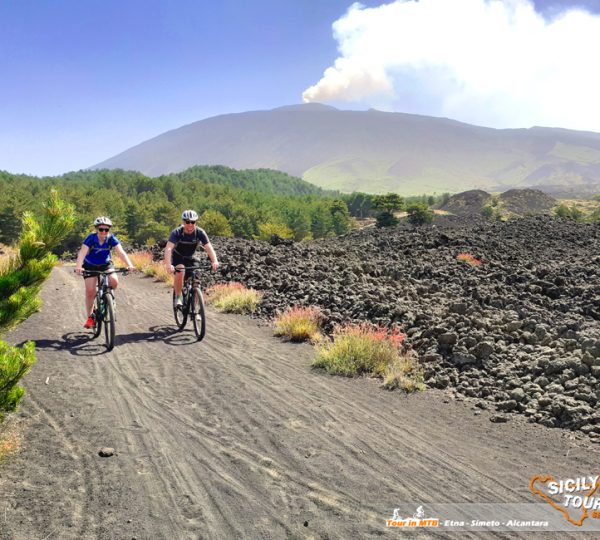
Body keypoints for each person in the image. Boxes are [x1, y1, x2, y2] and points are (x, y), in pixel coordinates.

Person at [74, 216, 136, 328]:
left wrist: (129, 264)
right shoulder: (90, 239)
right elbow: (82, 253)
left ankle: (108, 299)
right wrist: (79, 266)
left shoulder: (111, 239)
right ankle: (90, 317)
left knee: (114, 282)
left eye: (106, 230)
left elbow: (121, 252)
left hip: (105, 264)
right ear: (96, 229)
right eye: (101, 229)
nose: (103, 232)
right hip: (90, 266)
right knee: (90, 291)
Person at [164, 210, 219, 307]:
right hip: (178, 257)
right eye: (187, 222)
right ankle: (178, 296)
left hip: (191, 257)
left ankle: (196, 307)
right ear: (183, 222)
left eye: (193, 222)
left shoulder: (200, 232)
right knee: (180, 270)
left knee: (196, 280)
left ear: (196, 222)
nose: (190, 225)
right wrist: (168, 264)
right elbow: (168, 248)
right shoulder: (176, 232)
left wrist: (214, 261)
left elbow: (209, 247)